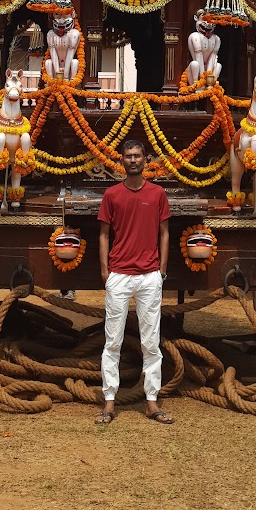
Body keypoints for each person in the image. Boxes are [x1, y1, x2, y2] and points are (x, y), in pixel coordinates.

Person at [97, 140, 173, 425]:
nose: (132, 160)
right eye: (128, 156)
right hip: (119, 275)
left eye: (137, 156)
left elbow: (164, 232)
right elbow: (104, 234)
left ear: (145, 160)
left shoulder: (157, 194)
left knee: (151, 342)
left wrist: (161, 270)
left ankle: (151, 401)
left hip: (149, 276)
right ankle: (109, 401)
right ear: (122, 161)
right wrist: (105, 272)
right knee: (112, 341)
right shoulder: (112, 195)